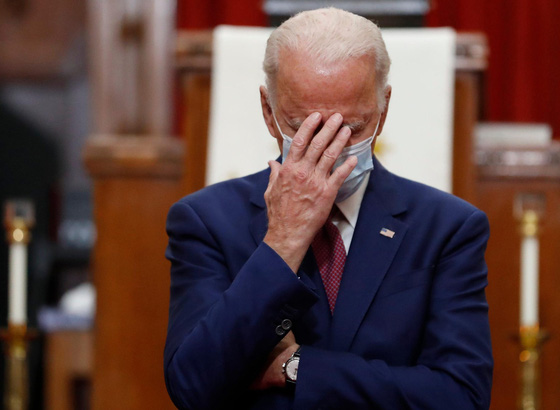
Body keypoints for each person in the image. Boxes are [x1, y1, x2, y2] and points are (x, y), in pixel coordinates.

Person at [164, 7, 492, 409]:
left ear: (383, 109)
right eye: (303, 126)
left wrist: (298, 367)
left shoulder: (447, 228)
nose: (329, 149)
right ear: (268, 111)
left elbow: (461, 396)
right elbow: (192, 385)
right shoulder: (206, 221)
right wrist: (283, 241)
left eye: (351, 128)